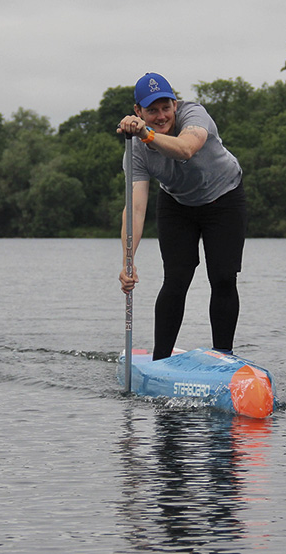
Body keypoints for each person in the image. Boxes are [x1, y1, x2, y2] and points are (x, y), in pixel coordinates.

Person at [117, 73, 247, 361]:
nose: (161, 116)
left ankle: (224, 356)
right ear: (138, 111)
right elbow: (135, 209)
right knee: (176, 279)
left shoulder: (195, 114)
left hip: (224, 197)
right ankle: (160, 361)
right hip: (178, 204)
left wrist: (146, 133)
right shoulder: (135, 150)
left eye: (166, 107)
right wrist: (128, 261)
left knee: (223, 278)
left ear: (175, 104)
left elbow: (186, 149)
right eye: (152, 110)